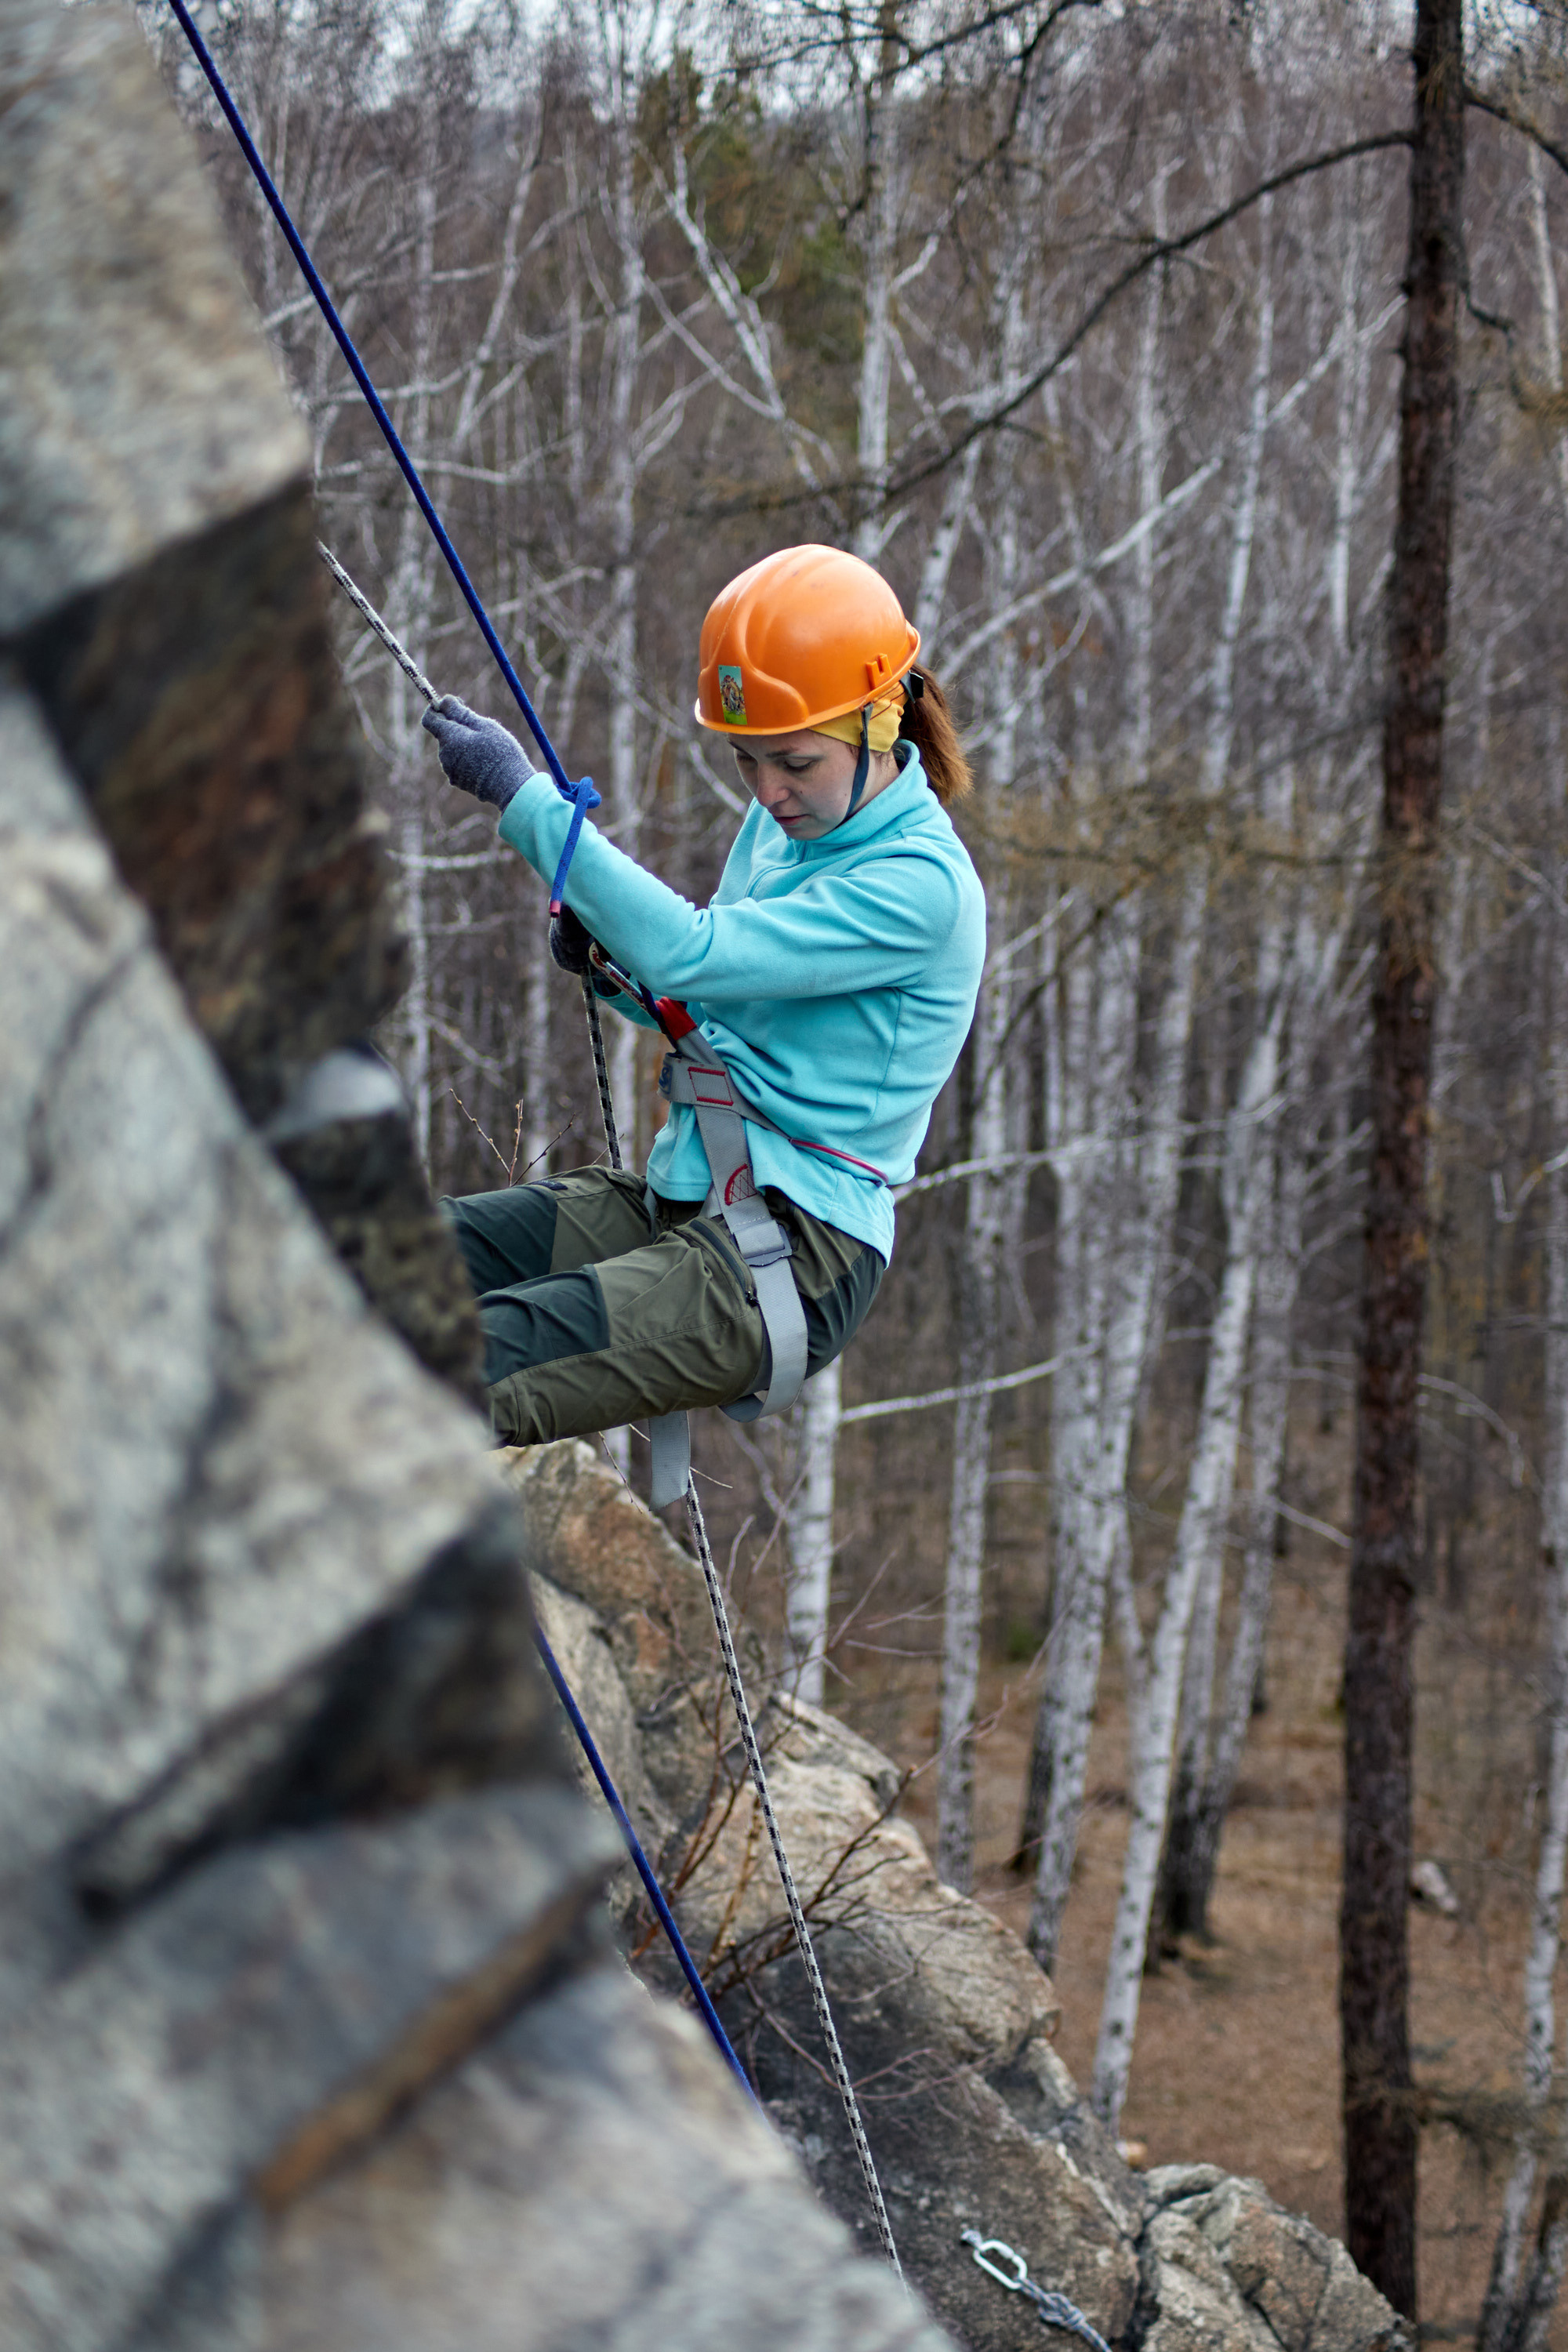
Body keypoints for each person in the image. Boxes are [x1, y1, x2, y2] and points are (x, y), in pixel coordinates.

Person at [421, 543, 986, 1460]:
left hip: (797, 1254)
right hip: (692, 1193)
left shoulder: (919, 887)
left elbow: (690, 951)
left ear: (881, 723)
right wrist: (617, 972)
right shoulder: (781, 829)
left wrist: (525, 802)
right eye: (747, 761)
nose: (768, 792)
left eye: (794, 763)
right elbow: (703, 1002)